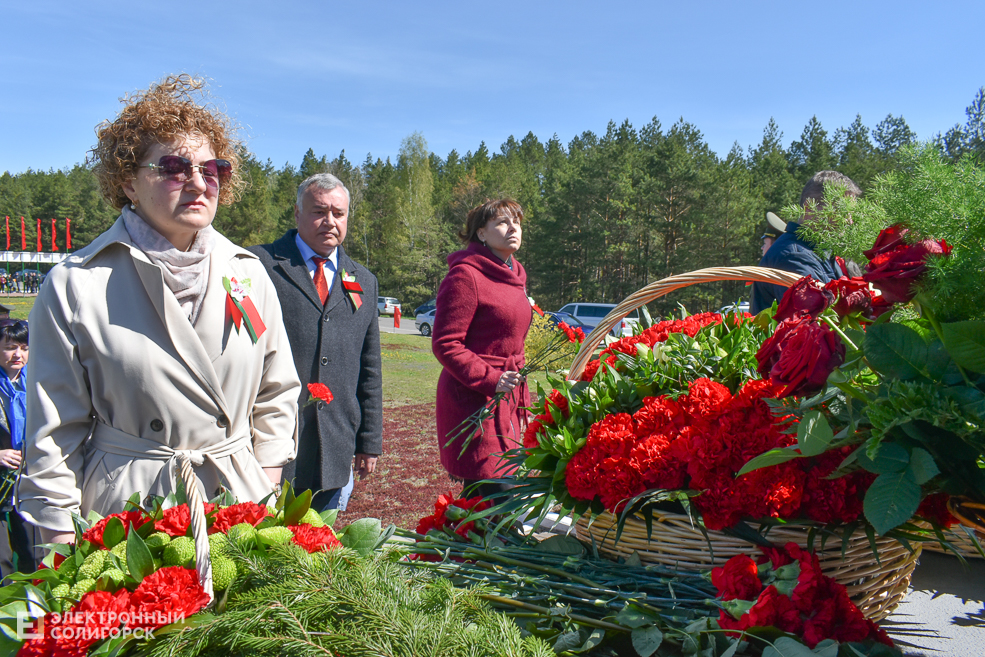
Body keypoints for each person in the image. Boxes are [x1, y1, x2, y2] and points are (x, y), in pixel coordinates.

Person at [16, 75, 301, 546]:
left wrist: (265, 479)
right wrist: (60, 542)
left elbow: (277, 390)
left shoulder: (248, 273)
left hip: (239, 510)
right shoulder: (76, 283)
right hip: (130, 518)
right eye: (173, 167)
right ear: (128, 181)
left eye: (213, 169)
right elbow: (53, 432)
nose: (198, 183)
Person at [249, 173, 383, 512]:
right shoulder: (257, 265)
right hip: (267, 444)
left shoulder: (364, 281)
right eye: (319, 212)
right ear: (297, 213)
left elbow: (370, 367)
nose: (330, 221)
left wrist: (369, 441)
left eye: (338, 213)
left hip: (333, 447)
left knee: (320, 540)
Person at [432, 199, 531, 499]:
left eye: (516, 221)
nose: (513, 227)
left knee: (499, 498)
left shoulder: (515, 276)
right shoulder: (466, 275)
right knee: (494, 492)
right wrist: (492, 378)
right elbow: (446, 343)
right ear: (481, 234)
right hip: (476, 400)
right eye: (502, 222)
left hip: (506, 398)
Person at [750, 171, 862, 314]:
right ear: (810, 207)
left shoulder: (816, 252)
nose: (849, 221)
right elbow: (818, 319)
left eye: (851, 213)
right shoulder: (793, 257)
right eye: (842, 211)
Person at [0, 320, 35, 575]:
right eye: (10, 347)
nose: (17, 355)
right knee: (3, 559)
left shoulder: (37, 384)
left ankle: (32, 598)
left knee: (33, 553)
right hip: (2, 482)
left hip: (28, 480)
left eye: (24, 348)